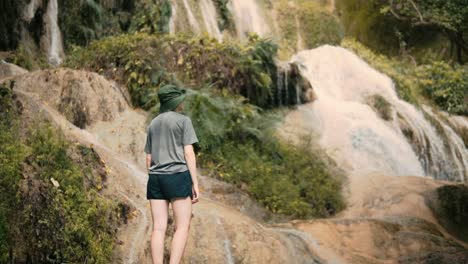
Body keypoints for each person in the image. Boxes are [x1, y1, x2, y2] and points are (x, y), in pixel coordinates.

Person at [144, 84, 200, 264]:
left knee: (158, 228)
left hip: (155, 179)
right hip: (177, 177)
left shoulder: (153, 123)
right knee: (182, 227)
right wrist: (195, 184)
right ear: (175, 102)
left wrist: (156, 176)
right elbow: (189, 153)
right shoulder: (183, 121)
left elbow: (148, 159)